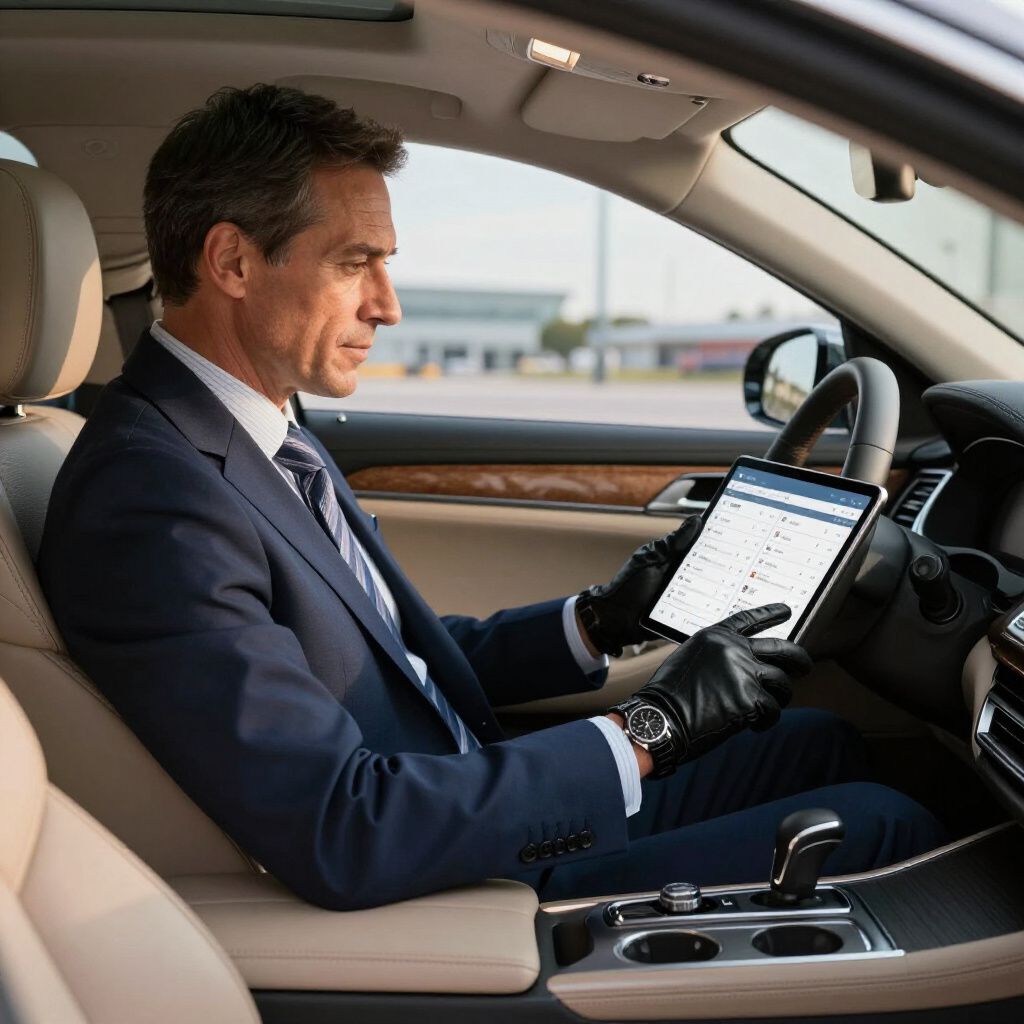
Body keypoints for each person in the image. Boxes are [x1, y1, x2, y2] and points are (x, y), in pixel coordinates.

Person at [38, 84, 944, 912]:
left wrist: (601, 620)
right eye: (356, 262)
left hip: (466, 797)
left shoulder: (255, 434)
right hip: (462, 872)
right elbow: (342, 827)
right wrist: (651, 727)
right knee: (879, 823)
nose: (388, 306)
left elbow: (395, 661)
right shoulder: (149, 498)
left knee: (822, 740)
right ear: (233, 260)